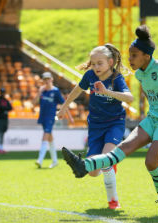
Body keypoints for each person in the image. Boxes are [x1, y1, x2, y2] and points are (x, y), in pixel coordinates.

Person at [61, 25, 158, 215]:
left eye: (134, 55)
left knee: (151, 162)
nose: (130, 59)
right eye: (129, 55)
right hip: (153, 119)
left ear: (146, 56)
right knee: (123, 149)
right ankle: (83, 166)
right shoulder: (141, 74)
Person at [57, 43, 134, 209]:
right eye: (93, 63)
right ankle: (110, 164)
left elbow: (130, 98)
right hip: (95, 125)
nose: (96, 67)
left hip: (114, 123)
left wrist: (107, 92)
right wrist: (64, 107)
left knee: (105, 160)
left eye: (100, 63)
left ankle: (113, 201)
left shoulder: (116, 78)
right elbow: (77, 91)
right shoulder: (90, 76)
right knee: (93, 172)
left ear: (110, 62)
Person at [34, 72, 72, 169]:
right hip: (42, 117)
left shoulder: (55, 91)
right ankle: (55, 161)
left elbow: (64, 104)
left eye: (48, 79)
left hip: (50, 117)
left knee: (45, 136)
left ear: (51, 79)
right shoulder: (42, 91)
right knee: (50, 138)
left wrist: (70, 117)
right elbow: (33, 103)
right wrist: (39, 92)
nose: (46, 81)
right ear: (42, 81)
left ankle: (40, 160)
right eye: (44, 79)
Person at [0, 87, 12, 154]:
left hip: (5, 119)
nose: (3, 93)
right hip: (0, 119)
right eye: (2, 92)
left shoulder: (6, 100)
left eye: (3, 92)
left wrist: (4, 108)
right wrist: (5, 108)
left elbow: (10, 107)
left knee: (3, 133)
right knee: (0, 133)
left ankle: (1, 147)